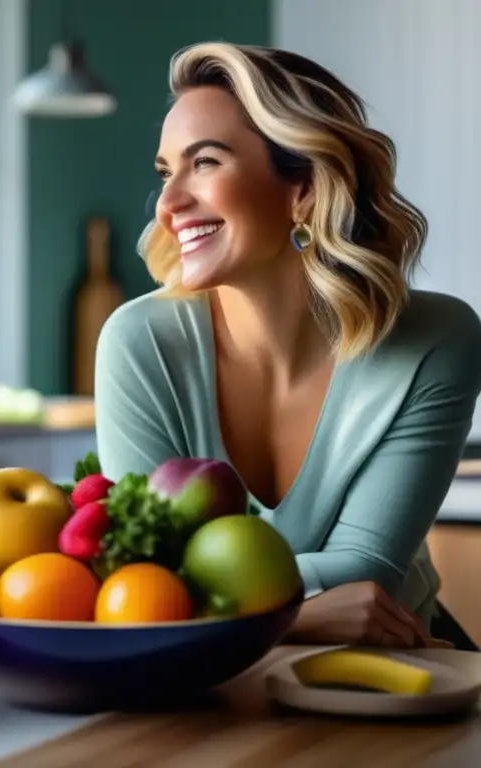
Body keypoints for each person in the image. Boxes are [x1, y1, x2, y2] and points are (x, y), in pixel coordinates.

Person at [94, 42, 481, 651]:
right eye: (167, 171)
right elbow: (142, 584)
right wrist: (299, 617)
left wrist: (194, 611)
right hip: (212, 688)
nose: (168, 206)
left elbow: (367, 570)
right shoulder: (139, 343)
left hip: (400, 674)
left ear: (303, 189)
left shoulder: (437, 340)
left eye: (207, 163)